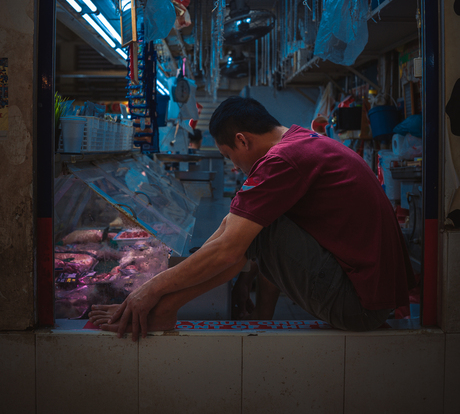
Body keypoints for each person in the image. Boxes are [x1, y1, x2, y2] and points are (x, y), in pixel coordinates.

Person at [89, 96, 415, 340]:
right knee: (244, 221)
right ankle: (166, 307)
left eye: (230, 156)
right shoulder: (301, 141)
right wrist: (243, 276)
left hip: (358, 307)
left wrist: (148, 290)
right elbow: (230, 228)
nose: (233, 166)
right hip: (370, 297)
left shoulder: (282, 160)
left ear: (243, 140)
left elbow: (230, 249)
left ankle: (162, 309)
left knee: (254, 230)